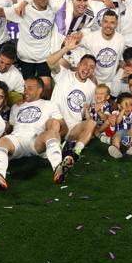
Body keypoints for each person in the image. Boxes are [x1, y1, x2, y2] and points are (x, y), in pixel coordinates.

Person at [0, 77, 68, 191]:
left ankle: (58, 168)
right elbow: (9, 128)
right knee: (2, 141)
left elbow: (64, 128)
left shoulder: (49, 104)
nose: (25, 91)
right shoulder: (16, 106)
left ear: (40, 90)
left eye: (30, 88)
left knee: (52, 131)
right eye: (24, 88)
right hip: (17, 141)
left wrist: (53, 140)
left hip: (36, 141)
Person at [0, 0, 55, 97]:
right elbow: (1, 12)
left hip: (44, 57)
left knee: (46, 87)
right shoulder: (23, 10)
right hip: (25, 57)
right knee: (27, 90)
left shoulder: (54, 9)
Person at [46, 34, 98, 181]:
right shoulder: (64, 74)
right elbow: (49, 61)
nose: (87, 69)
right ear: (79, 64)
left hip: (72, 129)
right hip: (56, 123)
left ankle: (74, 153)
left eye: (91, 67)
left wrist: (89, 116)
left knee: (92, 123)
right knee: (55, 123)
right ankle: (57, 162)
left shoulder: (92, 87)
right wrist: (66, 49)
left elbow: (87, 112)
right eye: (85, 65)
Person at [79, 10, 125, 90]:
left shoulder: (121, 39)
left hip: (111, 81)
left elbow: (120, 60)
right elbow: (74, 46)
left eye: (112, 22)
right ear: (101, 22)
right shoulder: (90, 38)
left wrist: (117, 75)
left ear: (116, 24)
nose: (108, 25)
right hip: (92, 79)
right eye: (106, 22)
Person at [106, 92, 132, 159]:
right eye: (126, 104)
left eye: (131, 105)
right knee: (116, 137)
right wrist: (122, 111)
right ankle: (116, 149)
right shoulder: (115, 113)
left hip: (130, 133)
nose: (128, 107)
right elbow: (117, 122)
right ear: (119, 106)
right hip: (119, 133)